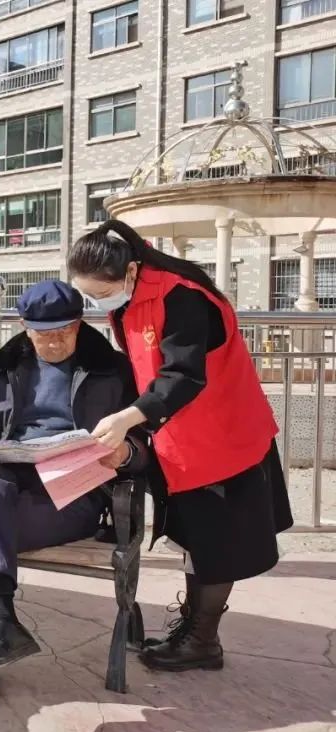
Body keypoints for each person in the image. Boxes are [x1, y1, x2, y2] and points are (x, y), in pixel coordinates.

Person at [68, 219, 292, 672]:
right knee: (195, 540)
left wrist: (128, 417)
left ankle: (202, 640)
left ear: (131, 271)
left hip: (223, 439)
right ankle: (194, 631)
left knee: (217, 545)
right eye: (88, 296)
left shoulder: (182, 296)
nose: (98, 302)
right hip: (182, 440)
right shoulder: (133, 298)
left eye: (100, 293)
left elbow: (183, 375)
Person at [0, 279, 150, 715]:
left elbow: (148, 446)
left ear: (80, 323)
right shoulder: (2, 367)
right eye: (42, 334)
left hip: (75, 493)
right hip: (10, 483)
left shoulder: (112, 369)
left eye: (64, 332)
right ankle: (0, 625)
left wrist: (125, 453)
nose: (54, 342)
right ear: (24, 327)